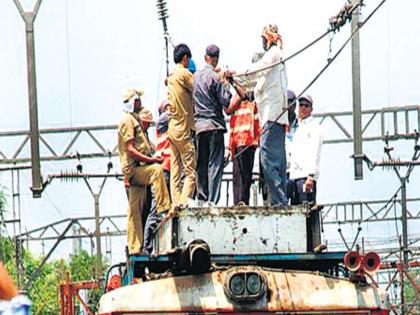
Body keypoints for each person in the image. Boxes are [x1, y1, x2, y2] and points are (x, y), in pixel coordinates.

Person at [118, 89, 171, 255]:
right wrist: (152, 161)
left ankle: (135, 247)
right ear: (132, 102)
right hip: (134, 170)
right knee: (156, 171)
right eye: (137, 100)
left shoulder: (131, 120)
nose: (140, 102)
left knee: (135, 211)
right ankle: (164, 208)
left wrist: (152, 155)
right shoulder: (128, 121)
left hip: (134, 171)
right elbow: (130, 148)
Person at [243, 24, 289, 206]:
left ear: (268, 38)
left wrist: (233, 72)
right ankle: (280, 199)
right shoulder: (276, 60)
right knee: (276, 160)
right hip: (274, 117)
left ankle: (280, 201)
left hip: (272, 116)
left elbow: (256, 70)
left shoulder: (273, 54)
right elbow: (254, 84)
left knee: (268, 159)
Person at [193, 44, 232, 205]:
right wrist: (226, 82)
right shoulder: (216, 78)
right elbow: (226, 101)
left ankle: (201, 198)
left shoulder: (195, 76)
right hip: (214, 125)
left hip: (199, 127)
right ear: (216, 59)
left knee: (201, 165)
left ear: (205, 57)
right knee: (214, 165)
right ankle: (212, 201)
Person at [167, 43, 197, 209]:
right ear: (185, 58)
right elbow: (197, 88)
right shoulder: (184, 74)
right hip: (183, 129)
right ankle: (183, 203)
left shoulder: (171, 77)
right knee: (190, 171)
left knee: (175, 170)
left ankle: (175, 203)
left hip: (172, 129)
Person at [226, 92, 261, 205]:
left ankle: (242, 202)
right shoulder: (237, 103)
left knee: (244, 175)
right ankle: (238, 202)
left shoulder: (252, 99)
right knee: (238, 175)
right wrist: (229, 147)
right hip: (238, 141)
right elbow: (232, 122)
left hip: (247, 140)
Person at [288, 93, 323, 205]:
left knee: (307, 212)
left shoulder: (314, 127)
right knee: (297, 211)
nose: (302, 108)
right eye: (301, 105)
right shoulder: (297, 127)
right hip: (295, 177)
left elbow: (315, 151)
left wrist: (311, 176)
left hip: (305, 176)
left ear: (311, 109)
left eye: (306, 105)